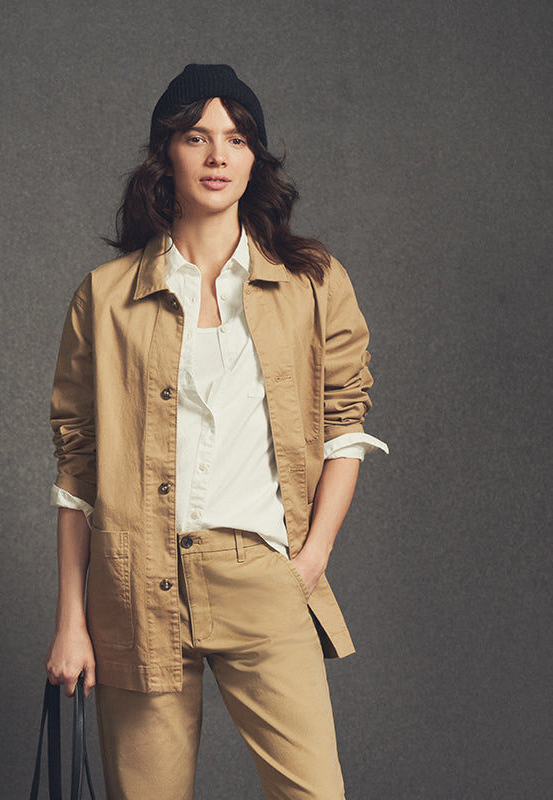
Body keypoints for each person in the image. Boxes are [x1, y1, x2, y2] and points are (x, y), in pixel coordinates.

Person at [45, 64, 387, 800]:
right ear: (166, 152)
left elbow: (343, 427)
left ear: (255, 156)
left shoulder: (312, 283)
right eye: (196, 137)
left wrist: (312, 559)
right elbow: (79, 472)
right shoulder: (105, 298)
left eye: (236, 138)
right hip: (134, 589)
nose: (217, 156)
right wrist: (71, 623)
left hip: (258, 574)